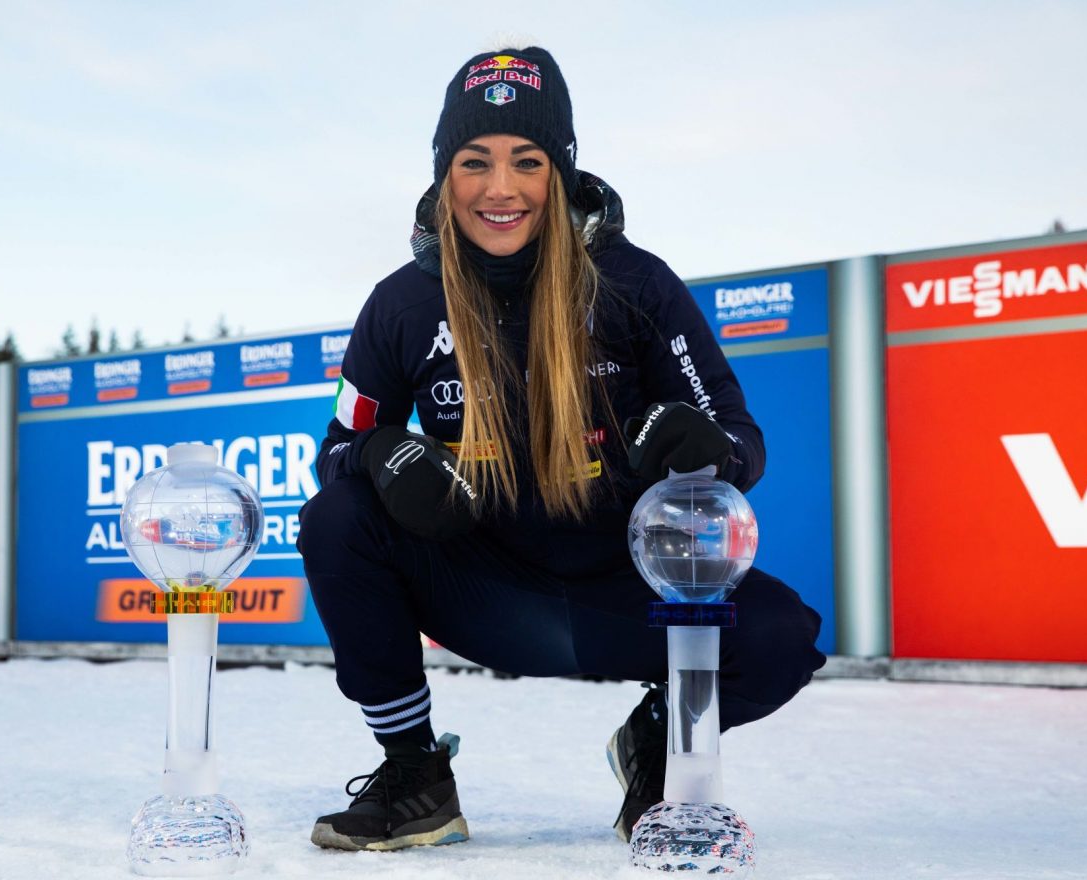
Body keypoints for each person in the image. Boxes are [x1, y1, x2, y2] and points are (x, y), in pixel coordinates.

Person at [297, 45, 825, 852]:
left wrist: (705, 448)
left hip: (629, 597)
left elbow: (741, 442)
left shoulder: (635, 285)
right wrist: (377, 458)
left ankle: (657, 746)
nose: (499, 188)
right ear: (445, 177)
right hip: (485, 594)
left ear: (562, 171)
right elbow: (337, 449)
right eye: (474, 162)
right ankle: (415, 776)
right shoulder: (401, 306)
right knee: (337, 519)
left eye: (526, 161)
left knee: (780, 635)